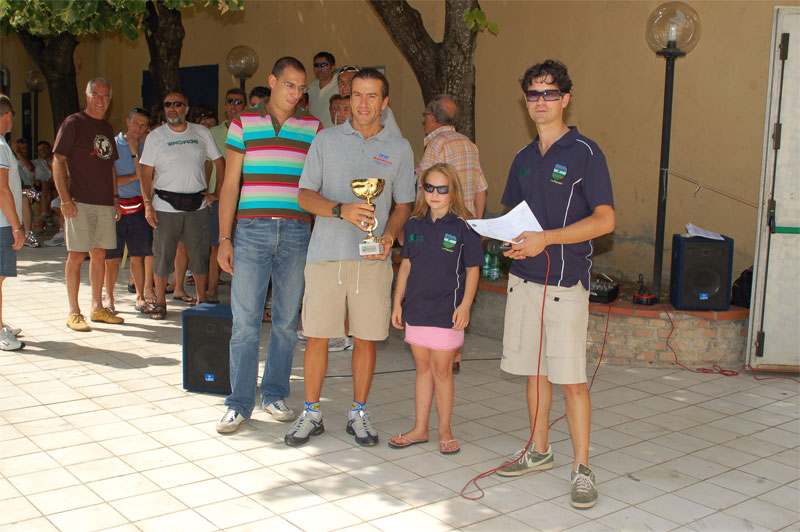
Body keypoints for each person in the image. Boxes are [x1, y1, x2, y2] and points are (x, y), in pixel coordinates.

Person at [495, 59, 615, 510]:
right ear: (525, 101)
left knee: (571, 379)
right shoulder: (523, 159)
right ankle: (538, 450)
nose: (540, 102)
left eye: (549, 93)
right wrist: (510, 242)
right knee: (534, 371)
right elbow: (515, 220)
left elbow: (605, 220)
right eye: (533, 94)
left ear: (565, 98)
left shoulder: (585, 152)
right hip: (524, 281)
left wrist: (547, 239)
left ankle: (582, 468)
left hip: (565, 282)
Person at [286, 68, 415, 447]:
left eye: (371, 95)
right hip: (326, 254)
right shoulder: (325, 140)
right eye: (356, 95)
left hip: (372, 260)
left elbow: (405, 203)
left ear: (384, 102)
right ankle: (311, 412)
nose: (362, 103)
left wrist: (389, 235)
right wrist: (340, 209)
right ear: (347, 99)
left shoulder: (400, 148)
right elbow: (305, 195)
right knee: (317, 336)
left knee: (366, 338)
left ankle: (359, 411)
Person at [215, 57, 322, 434]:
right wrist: (223, 238)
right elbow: (230, 185)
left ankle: (275, 392)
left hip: (296, 231)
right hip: (251, 231)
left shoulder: (313, 127)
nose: (295, 93)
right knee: (244, 322)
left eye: (301, 88)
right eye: (289, 85)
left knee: (286, 322)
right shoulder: (243, 123)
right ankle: (239, 403)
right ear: (273, 81)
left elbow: (318, 184)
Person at [389, 163, 481, 455]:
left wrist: (465, 305)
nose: (435, 194)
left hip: (447, 310)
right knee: (422, 369)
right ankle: (419, 428)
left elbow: (473, 270)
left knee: (443, 371)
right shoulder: (414, 225)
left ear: (453, 191)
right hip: (417, 309)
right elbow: (406, 266)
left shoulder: (465, 227)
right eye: (429, 188)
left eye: (442, 188)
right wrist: (397, 302)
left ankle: (444, 429)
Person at [418, 94, 489, 373]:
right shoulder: (469, 145)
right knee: (461, 285)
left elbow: (424, 186)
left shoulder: (436, 144)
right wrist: (478, 223)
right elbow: (481, 187)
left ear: (432, 118)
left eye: (424, 116)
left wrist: (417, 221)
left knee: (440, 284)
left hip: (442, 228)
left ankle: (441, 348)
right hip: (467, 227)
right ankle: (455, 354)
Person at [140, 92, 224, 320]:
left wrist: (217, 193)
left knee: (199, 254)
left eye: (177, 104)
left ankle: (202, 299)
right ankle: (160, 301)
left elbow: (219, 161)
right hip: (165, 205)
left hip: (197, 205)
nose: (172, 108)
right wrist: (147, 203)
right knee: (163, 255)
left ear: (186, 108)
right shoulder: (155, 137)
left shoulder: (201, 132)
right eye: (168, 105)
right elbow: (145, 172)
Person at [52, 77, 123, 332]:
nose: (101, 100)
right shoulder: (74, 123)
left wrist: (115, 199)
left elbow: (111, 166)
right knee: (76, 255)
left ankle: (97, 307)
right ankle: (74, 311)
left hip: (104, 203)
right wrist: (65, 200)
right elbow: (58, 160)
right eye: (96, 94)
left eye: (105, 96)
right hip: (79, 202)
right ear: (87, 94)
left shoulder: (105, 127)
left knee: (100, 254)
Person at [104, 107, 155, 314]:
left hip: (140, 206)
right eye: (135, 123)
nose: (139, 128)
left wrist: (136, 162)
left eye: (143, 125)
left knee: (138, 255)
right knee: (112, 257)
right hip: (116, 206)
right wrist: (136, 176)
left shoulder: (147, 147)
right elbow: (111, 180)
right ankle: (108, 297)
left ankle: (141, 296)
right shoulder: (113, 145)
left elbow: (150, 177)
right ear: (127, 121)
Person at [207, 89, 246, 303]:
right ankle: (211, 289)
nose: (234, 105)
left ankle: (237, 292)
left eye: (239, 102)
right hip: (219, 196)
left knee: (241, 247)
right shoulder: (214, 132)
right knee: (217, 245)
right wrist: (209, 191)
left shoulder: (250, 129)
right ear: (224, 105)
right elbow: (209, 163)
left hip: (245, 198)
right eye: (230, 101)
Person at [0, 95, 26, 350]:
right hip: (1, 224)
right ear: (8, 115)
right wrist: (16, 226)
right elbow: (2, 189)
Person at [13, 138, 39, 247]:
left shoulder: (32, 162)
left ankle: (28, 233)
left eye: (25, 148)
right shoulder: (10, 160)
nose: (23, 150)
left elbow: (30, 167)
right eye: (20, 149)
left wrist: (18, 152)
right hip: (13, 191)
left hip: (27, 191)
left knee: (24, 198)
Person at [307, 51, 338, 129]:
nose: (319, 69)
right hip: (315, 135)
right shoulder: (310, 88)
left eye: (323, 65)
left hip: (334, 135)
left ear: (332, 68)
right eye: (316, 66)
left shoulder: (340, 84)